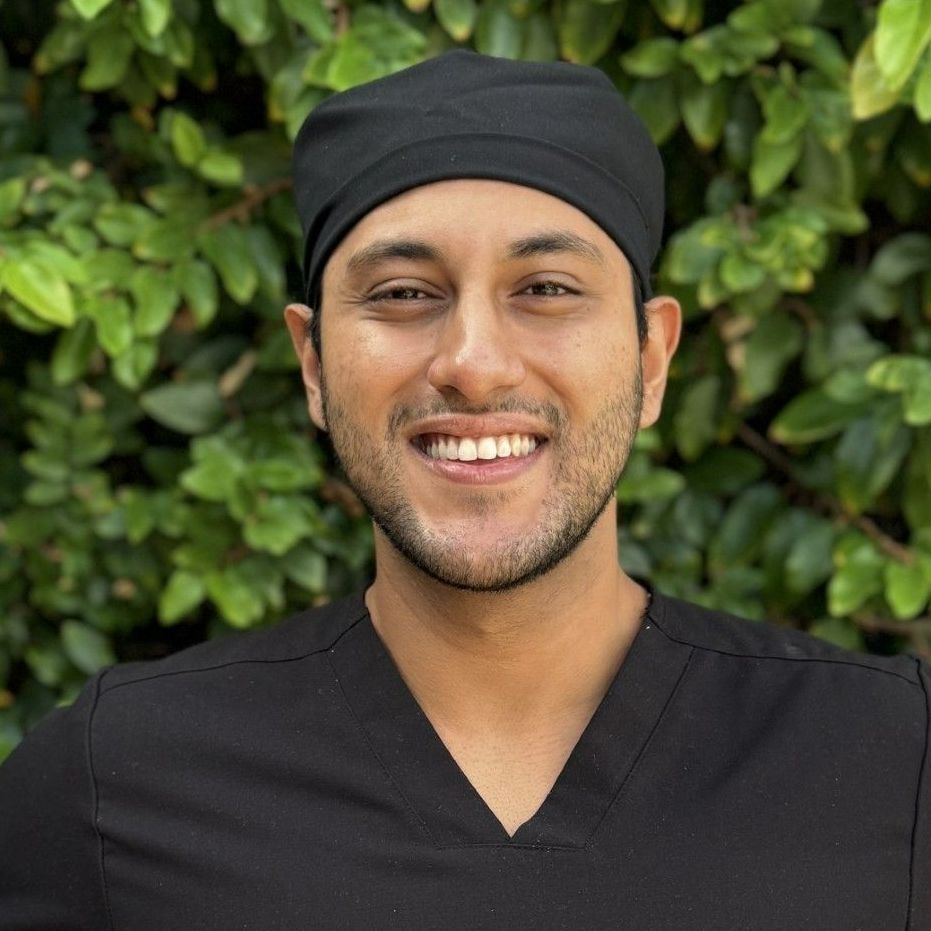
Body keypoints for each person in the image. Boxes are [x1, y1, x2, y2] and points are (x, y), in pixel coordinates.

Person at [0, 50, 928, 930]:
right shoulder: (114, 780)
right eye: (403, 293)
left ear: (651, 360)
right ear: (314, 363)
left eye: (548, 288)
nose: (473, 365)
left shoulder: (892, 758)